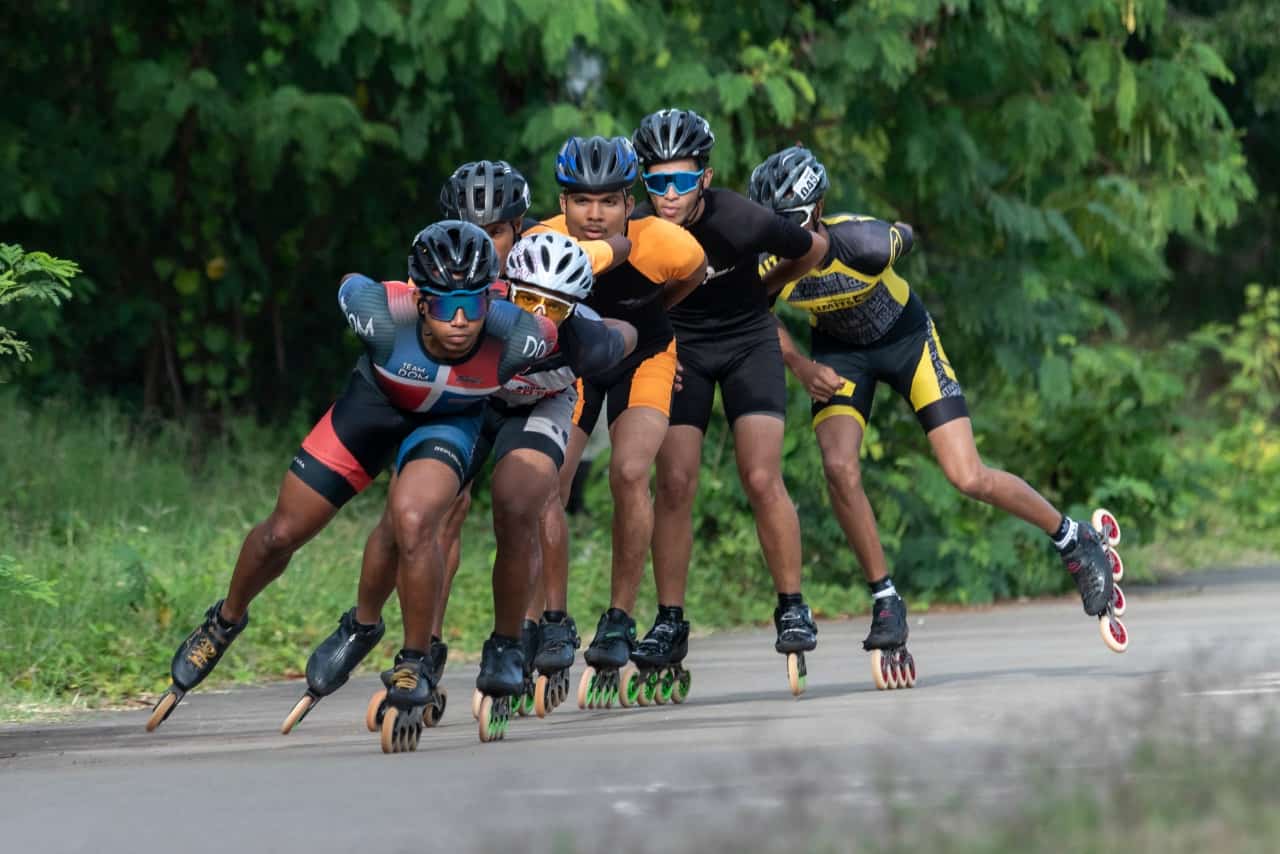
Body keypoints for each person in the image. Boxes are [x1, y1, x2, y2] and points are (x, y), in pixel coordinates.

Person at [147, 221, 560, 749]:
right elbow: (350, 281)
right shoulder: (379, 315)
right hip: (370, 413)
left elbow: (581, 342)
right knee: (282, 533)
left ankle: (413, 662)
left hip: (448, 424)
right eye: (443, 304)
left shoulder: (516, 337)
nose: (460, 321)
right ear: (418, 298)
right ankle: (223, 621)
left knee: (414, 523)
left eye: (473, 306)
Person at [750, 146, 1126, 689]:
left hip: (907, 340)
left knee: (967, 476)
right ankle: (886, 599)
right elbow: (753, 318)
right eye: (771, 226)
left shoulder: (865, 243)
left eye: (793, 224)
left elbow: (905, 232)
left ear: (819, 208)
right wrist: (799, 364)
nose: (783, 238)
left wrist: (895, 231)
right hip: (837, 354)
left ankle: (1072, 538)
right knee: (838, 468)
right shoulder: (768, 264)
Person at [296, 160, 632, 734]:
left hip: (537, 404)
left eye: (499, 230)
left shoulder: (570, 319)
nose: (540, 320)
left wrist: (640, 332)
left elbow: (618, 294)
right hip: (475, 400)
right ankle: (417, 651)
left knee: (519, 503)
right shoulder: (467, 286)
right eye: (530, 304)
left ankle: (512, 640)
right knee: (424, 514)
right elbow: (397, 308)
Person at [630, 108, 829, 699]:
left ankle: (792, 606)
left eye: (681, 180)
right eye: (657, 181)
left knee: (762, 476)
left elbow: (812, 247)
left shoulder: (741, 217)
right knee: (675, 483)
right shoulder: (639, 228)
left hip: (748, 342)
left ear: (706, 178)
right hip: (683, 348)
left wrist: (765, 291)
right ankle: (670, 620)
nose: (669, 195)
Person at [538, 134, 708, 708]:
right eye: (582, 201)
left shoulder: (665, 242)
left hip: (646, 357)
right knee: (548, 482)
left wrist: (655, 314)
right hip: (576, 365)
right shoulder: (543, 242)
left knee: (630, 473)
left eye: (608, 201)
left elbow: (692, 272)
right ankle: (554, 618)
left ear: (629, 202)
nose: (594, 214)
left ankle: (619, 617)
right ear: (563, 202)